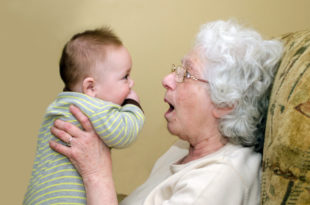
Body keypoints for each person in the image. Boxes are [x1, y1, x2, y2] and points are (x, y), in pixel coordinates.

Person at [49, 19, 283, 205]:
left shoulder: (218, 180)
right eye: (176, 69)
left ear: (225, 103)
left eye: (186, 74)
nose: (167, 79)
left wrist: (96, 175)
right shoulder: (181, 150)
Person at [23, 28, 145, 205]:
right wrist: (133, 105)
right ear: (90, 88)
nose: (131, 83)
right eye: (125, 77)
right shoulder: (93, 108)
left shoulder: (61, 104)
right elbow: (125, 132)